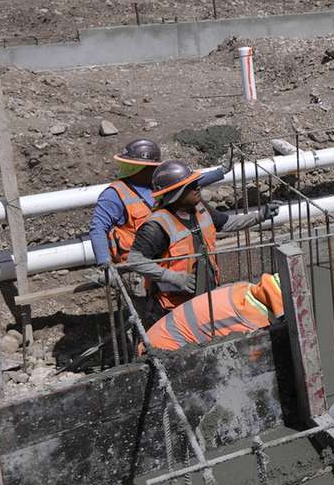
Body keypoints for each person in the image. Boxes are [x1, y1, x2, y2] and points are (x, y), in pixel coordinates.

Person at [119, 160, 281, 318]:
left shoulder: (199, 208)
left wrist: (260, 216)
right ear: (177, 193)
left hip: (205, 295)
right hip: (172, 307)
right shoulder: (156, 226)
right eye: (190, 186)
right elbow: (135, 260)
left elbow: (226, 223)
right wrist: (173, 277)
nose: (197, 188)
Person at [143, 272, 284, 352]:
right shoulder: (252, 322)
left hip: (158, 336)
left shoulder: (243, 288)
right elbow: (249, 364)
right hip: (163, 351)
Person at [89, 139, 161, 268]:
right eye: (152, 167)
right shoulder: (114, 194)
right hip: (135, 266)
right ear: (138, 168)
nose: (155, 170)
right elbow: (98, 228)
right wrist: (104, 261)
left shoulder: (158, 186)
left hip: (162, 259)